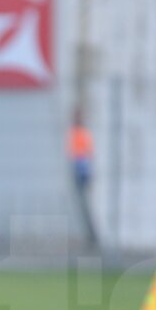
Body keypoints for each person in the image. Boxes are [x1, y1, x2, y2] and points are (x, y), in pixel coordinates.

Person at [66, 105, 99, 249]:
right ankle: (88, 236)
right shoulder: (74, 132)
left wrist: (87, 174)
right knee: (81, 206)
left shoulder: (82, 133)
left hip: (82, 173)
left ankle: (92, 236)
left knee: (85, 206)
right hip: (77, 172)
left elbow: (87, 155)